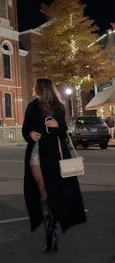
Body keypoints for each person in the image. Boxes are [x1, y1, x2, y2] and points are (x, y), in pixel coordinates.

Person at [22, 78, 86, 253]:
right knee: (42, 190)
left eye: (35, 86)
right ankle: (50, 234)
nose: (33, 88)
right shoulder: (32, 106)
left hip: (55, 155)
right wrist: (30, 134)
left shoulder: (58, 106)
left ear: (41, 88)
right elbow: (25, 128)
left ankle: (54, 227)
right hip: (36, 154)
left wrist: (57, 125)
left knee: (53, 190)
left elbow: (64, 131)